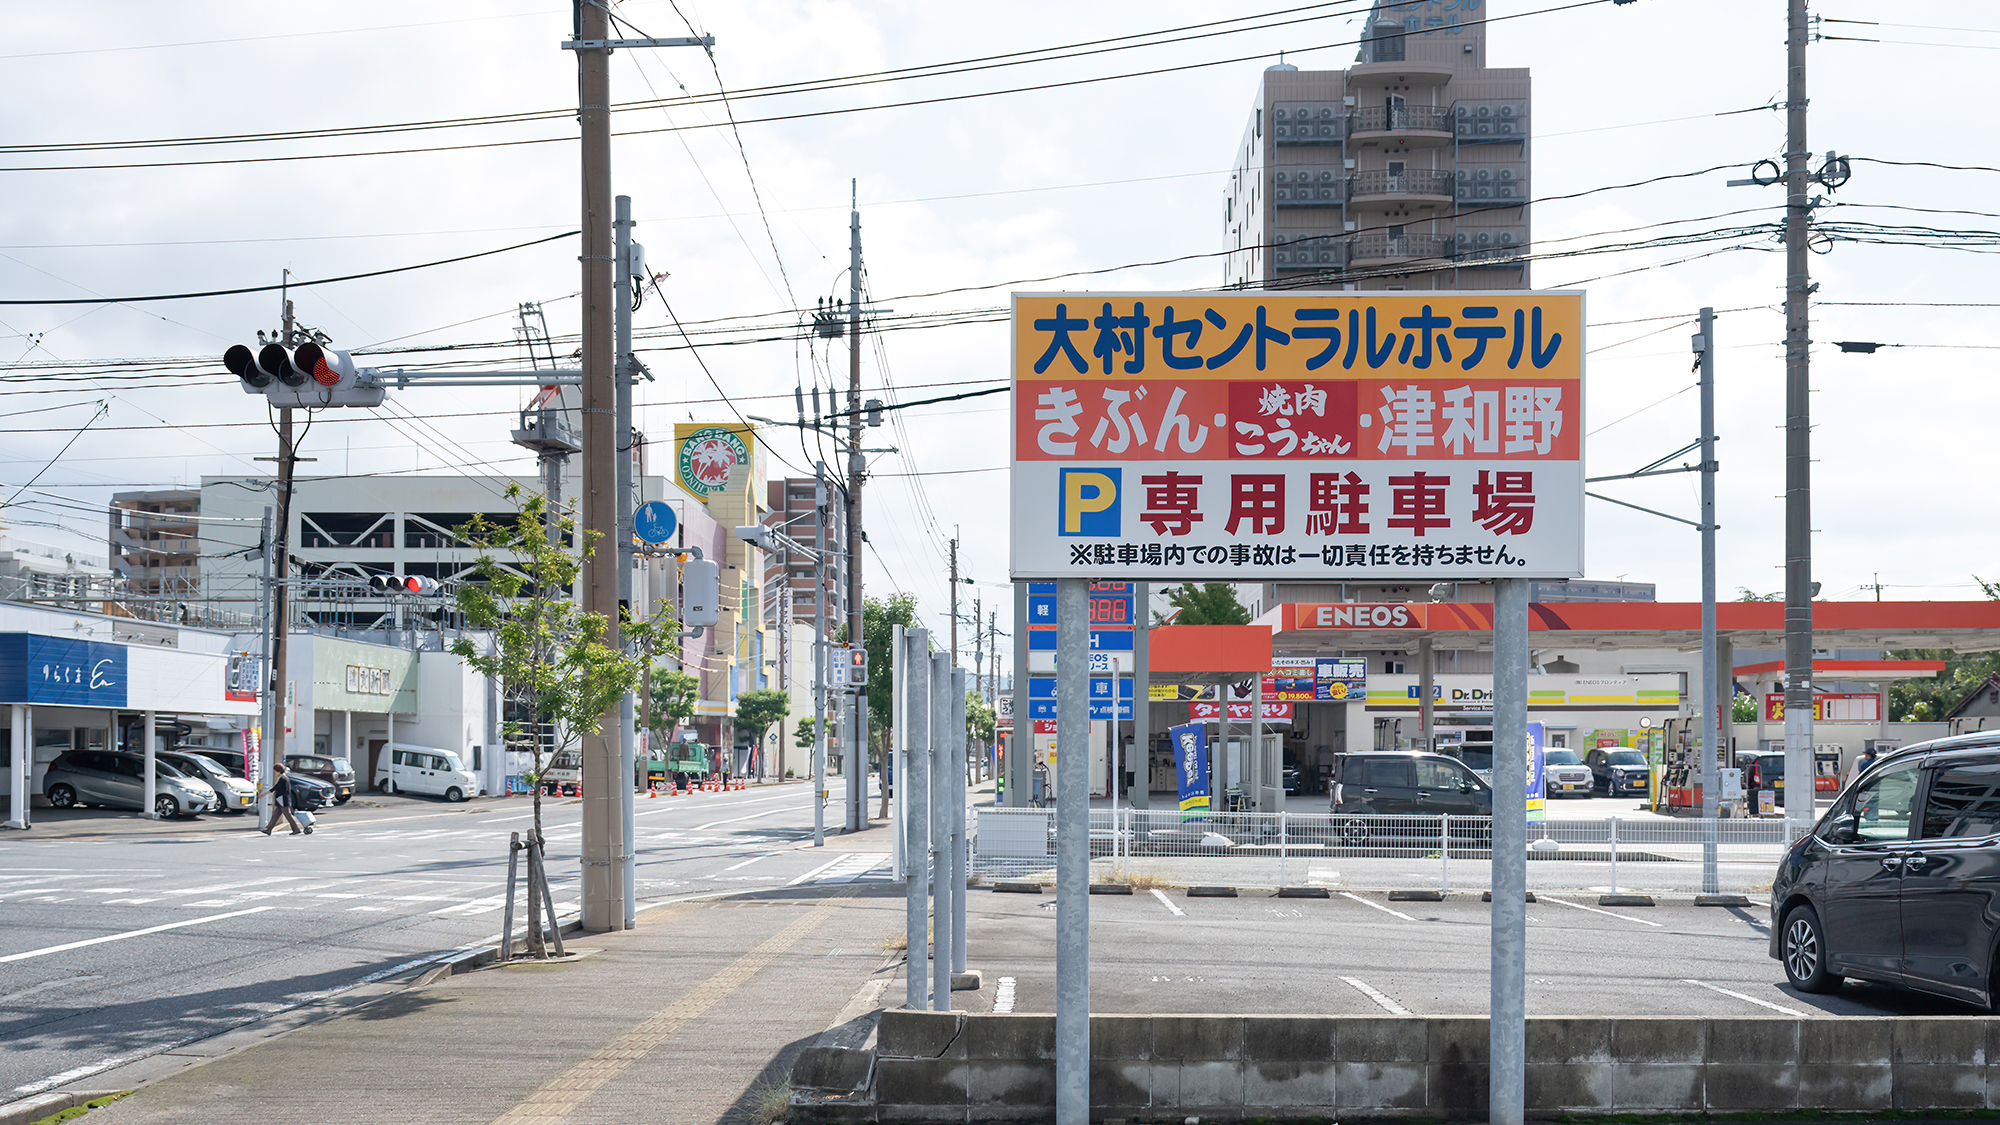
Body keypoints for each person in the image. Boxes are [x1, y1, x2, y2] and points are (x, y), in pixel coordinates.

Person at [262, 763, 302, 836]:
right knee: (276, 815)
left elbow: (276, 787)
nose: (274, 773)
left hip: (283, 799)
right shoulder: (284, 777)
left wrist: (264, 794)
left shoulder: (283, 778)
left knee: (287, 814)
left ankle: (296, 829)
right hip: (281, 800)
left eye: (275, 771)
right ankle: (268, 829)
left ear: (278, 771)